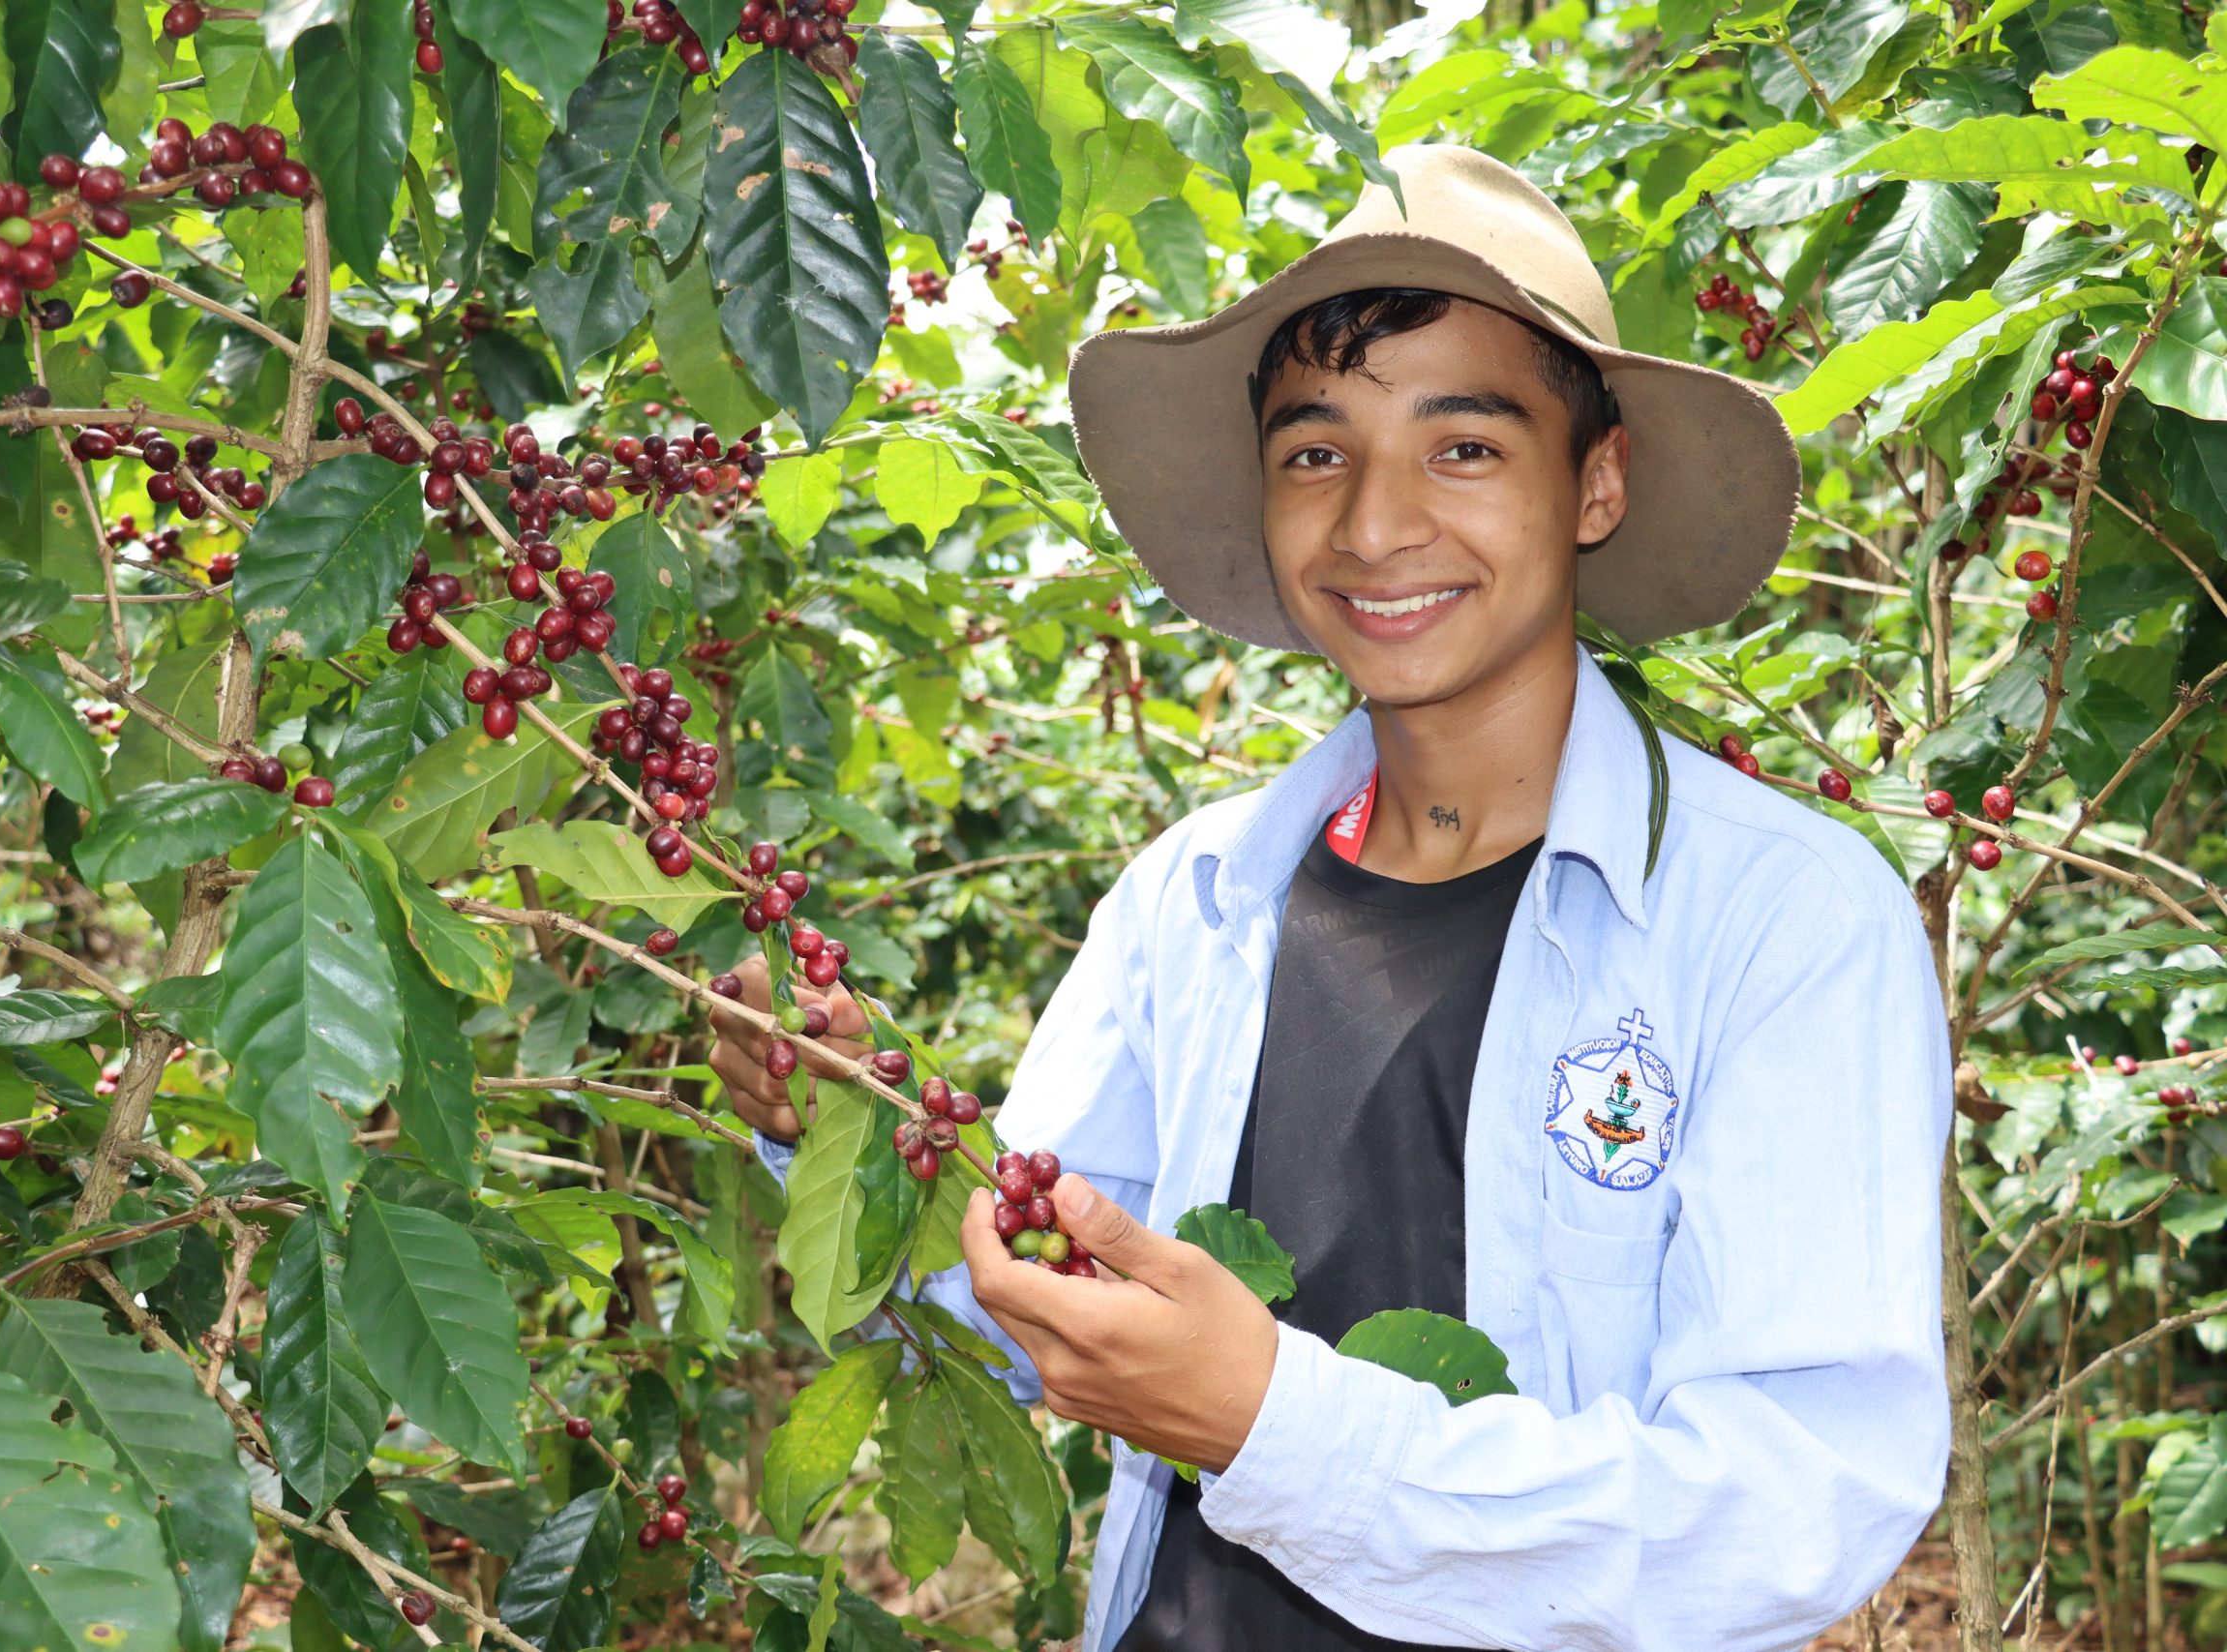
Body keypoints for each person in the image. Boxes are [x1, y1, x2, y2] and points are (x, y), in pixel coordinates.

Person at [710, 144, 1952, 1651]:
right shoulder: (1194, 899)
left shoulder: (1782, 922)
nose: (1375, 527)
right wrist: (836, 1124)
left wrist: (1274, 1425)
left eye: (1465, 447)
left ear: (1598, 482)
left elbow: (1788, 1507)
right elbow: (1030, 1318)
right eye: (1316, 453)